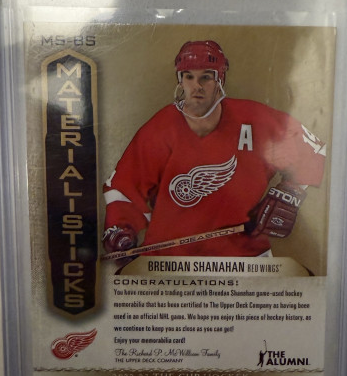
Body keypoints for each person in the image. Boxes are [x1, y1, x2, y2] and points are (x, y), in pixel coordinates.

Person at [102, 40, 326, 259]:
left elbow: (313, 149)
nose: (196, 86)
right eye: (189, 77)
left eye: (206, 77)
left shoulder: (256, 119)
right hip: (171, 260)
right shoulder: (159, 129)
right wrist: (120, 228)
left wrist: (291, 192)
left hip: (245, 258)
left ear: (220, 80)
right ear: (180, 80)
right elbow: (125, 187)